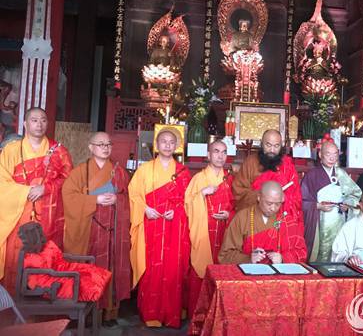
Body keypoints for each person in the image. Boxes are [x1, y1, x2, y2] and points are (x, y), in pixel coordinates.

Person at [0, 107, 72, 293]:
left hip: (50, 215)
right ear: (25, 124)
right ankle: (12, 300)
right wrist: (25, 191)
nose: (39, 124)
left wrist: (46, 188)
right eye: (34, 120)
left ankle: (44, 300)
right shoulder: (11, 150)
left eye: (43, 120)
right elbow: (2, 181)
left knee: (46, 254)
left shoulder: (59, 151)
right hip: (18, 213)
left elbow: (69, 181)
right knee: (16, 255)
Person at [62, 131, 131, 321]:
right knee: (91, 267)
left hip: (113, 230)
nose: (105, 148)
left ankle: (109, 312)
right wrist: (95, 200)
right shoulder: (80, 172)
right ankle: (89, 313)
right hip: (90, 228)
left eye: (108, 144)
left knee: (111, 267)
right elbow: (68, 196)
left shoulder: (119, 172)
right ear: (91, 147)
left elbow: (128, 197)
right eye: (100, 144)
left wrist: (118, 199)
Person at [128, 128, 191, 328]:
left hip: (174, 228)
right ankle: (151, 314)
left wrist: (177, 211)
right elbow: (133, 194)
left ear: (177, 146)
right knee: (151, 269)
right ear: (157, 144)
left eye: (171, 142)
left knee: (173, 270)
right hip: (151, 226)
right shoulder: (144, 170)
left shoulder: (183, 172)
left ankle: (171, 314)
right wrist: (145, 209)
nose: (167, 145)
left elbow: (189, 201)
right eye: (163, 141)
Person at [184, 140, 234, 317]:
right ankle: (199, 317)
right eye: (216, 151)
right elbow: (187, 204)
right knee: (201, 271)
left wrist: (229, 214)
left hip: (225, 233)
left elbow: (238, 206)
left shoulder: (230, 179)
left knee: (223, 270)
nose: (220, 156)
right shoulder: (198, 179)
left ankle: (219, 316)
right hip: (204, 232)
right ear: (208, 155)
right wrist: (202, 193)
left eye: (224, 152)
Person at [218, 181, 307, 264]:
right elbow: (225, 255)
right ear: (259, 198)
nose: (273, 208)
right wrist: (248, 258)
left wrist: (283, 258)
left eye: (277, 204)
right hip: (249, 274)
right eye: (269, 203)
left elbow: (301, 252)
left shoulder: (287, 220)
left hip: (278, 274)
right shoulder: (242, 218)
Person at [301, 141, 361, 261]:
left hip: (339, 221)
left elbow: (355, 194)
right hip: (319, 222)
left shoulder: (341, 174)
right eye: (328, 154)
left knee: (338, 252)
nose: (332, 158)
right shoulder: (312, 175)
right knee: (320, 254)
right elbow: (301, 201)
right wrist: (318, 206)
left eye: (335, 154)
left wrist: (347, 205)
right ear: (320, 154)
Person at [232, 130, 302, 219]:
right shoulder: (250, 162)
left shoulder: (287, 166)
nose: (272, 150)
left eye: (276, 146)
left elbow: (296, 198)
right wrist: (260, 196)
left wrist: (283, 198)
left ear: (281, 146)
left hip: (281, 219)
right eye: (268, 145)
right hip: (254, 216)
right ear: (262, 144)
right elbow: (238, 192)